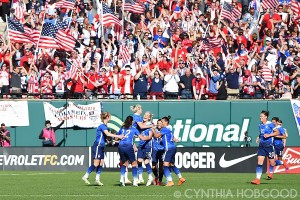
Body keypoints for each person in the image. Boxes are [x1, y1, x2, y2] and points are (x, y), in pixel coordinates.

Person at [82, 112, 124, 186]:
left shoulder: (105, 126)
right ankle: (86, 176)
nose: (110, 118)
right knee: (96, 164)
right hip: (98, 145)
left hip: (101, 146)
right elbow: (107, 134)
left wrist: (112, 141)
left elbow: (106, 138)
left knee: (101, 162)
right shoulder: (102, 126)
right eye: (110, 116)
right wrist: (119, 136)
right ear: (107, 117)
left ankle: (97, 179)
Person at [118, 115, 150, 187]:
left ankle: (122, 180)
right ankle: (135, 181)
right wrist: (149, 137)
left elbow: (117, 138)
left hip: (120, 146)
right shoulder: (134, 129)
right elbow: (143, 138)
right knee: (134, 163)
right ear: (132, 122)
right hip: (128, 146)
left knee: (124, 163)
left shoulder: (122, 128)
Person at [153, 116, 185, 187]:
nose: (160, 123)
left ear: (166, 122)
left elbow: (156, 136)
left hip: (168, 149)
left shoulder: (164, 129)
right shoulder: (169, 129)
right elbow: (172, 138)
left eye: (162, 122)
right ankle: (181, 178)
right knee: (171, 164)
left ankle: (170, 181)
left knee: (165, 165)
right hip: (173, 147)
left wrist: (152, 129)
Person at [251, 111, 279, 185]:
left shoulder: (271, 124)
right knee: (259, 162)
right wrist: (258, 137)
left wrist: (269, 135)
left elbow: (277, 133)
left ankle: (282, 162)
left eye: (262, 116)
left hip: (269, 146)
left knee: (272, 163)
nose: (260, 117)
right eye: (260, 116)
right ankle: (257, 179)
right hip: (262, 146)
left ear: (266, 117)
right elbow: (261, 133)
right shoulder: (260, 125)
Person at [137, 111, 154, 186]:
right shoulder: (141, 125)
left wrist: (144, 138)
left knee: (146, 162)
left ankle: (150, 177)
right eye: (145, 115)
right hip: (141, 146)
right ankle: (140, 178)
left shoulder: (150, 125)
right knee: (139, 161)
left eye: (147, 115)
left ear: (149, 118)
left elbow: (150, 136)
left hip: (147, 146)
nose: (145, 116)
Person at [151, 119, 164, 186]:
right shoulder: (154, 130)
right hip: (154, 151)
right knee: (153, 167)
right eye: (158, 123)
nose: (159, 124)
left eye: (160, 123)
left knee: (161, 167)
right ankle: (156, 176)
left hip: (162, 151)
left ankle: (160, 180)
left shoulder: (164, 130)